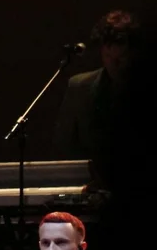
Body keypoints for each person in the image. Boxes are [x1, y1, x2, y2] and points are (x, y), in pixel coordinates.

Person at [53, 9, 140, 171]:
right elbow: (64, 144)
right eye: (108, 56)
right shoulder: (80, 87)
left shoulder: (153, 88)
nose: (114, 64)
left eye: (122, 58)